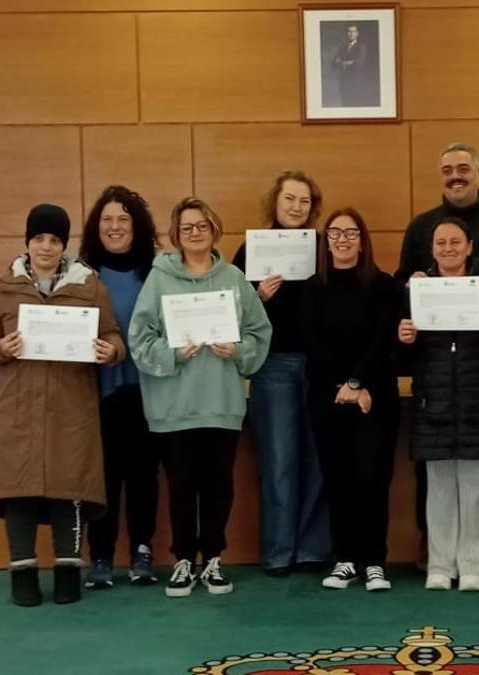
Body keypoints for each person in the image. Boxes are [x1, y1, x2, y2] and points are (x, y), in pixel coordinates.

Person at [0, 203, 124, 607]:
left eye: (54, 239)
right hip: (17, 407)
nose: (46, 246)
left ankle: (69, 571)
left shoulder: (90, 286)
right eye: (38, 238)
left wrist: (110, 351)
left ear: (64, 244)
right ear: (27, 242)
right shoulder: (1, 287)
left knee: (67, 489)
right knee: (16, 489)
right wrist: (0, 347)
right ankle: (22, 574)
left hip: (71, 406)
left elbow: (113, 335)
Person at [130, 197, 272, 598]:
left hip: (221, 402)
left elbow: (259, 332)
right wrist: (174, 353)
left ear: (214, 230)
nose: (195, 233)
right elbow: (140, 339)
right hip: (175, 404)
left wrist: (238, 350)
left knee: (218, 485)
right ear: (176, 235)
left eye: (202, 226)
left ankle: (212, 558)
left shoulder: (233, 279)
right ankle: (181, 560)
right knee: (180, 484)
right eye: (187, 227)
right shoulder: (159, 279)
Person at [396, 142, 479, 572]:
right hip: (434, 372)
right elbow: (402, 289)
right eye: (448, 168)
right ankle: (434, 545)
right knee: (432, 466)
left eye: (464, 168)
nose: (456, 175)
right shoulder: (420, 227)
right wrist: (411, 284)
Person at [231, 170, 331, 577]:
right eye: (290, 199)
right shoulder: (251, 250)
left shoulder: (324, 248)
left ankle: (312, 550)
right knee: (278, 462)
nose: (296, 207)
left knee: (319, 460)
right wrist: (258, 297)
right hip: (272, 365)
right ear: (275, 201)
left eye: (305, 201)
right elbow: (229, 315)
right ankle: (277, 553)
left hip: (321, 366)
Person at [301, 208, 401, 592]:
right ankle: (345, 559)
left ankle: (374, 560)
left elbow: (383, 340)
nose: (342, 239)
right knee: (337, 476)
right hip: (328, 396)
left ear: (363, 240)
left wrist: (359, 382)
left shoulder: (383, 285)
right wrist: (343, 386)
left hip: (375, 397)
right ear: (326, 242)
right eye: (335, 233)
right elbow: (312, 342)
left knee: (373, 477)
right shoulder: (313, 287)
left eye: (350, 232)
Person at [79, 185, 163, 590]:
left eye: (123, 219)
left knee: (144, 474)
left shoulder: (157, 271)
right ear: (97, 227)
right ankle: (100, 556)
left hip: (148, 391)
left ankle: (143, 551)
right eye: (107, 220)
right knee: (103, 477)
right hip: (98, 393)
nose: (115, 227)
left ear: (138, 226)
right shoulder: (80, 275)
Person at [331, 23, 373, 107]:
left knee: (355, 107)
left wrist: (342, 62)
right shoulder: (343, 47)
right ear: (347, 33)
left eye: (354, 31)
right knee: (345, 106)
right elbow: (334, 63)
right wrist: (348, 62)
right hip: (344, 84)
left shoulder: (361, 46)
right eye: (349, 31)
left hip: (356, 84)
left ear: (357, 33)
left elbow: (358, 63)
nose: (351, 34)